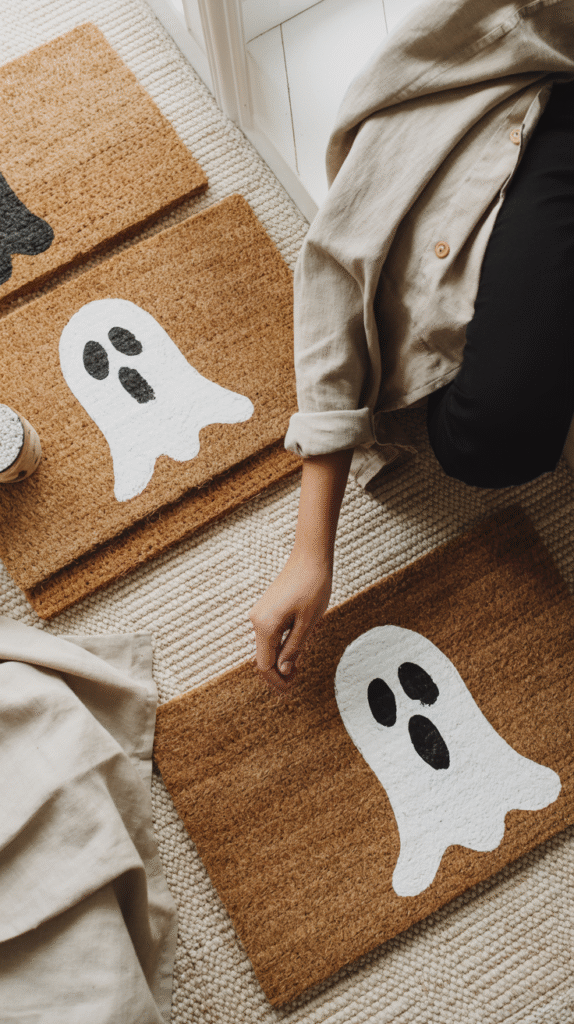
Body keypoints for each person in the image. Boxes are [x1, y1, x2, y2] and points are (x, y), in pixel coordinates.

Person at [250, 0, 574, 693]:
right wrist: (311, 552)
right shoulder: (486, 41)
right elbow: (338, 258)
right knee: (488, 437)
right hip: (553, 100)